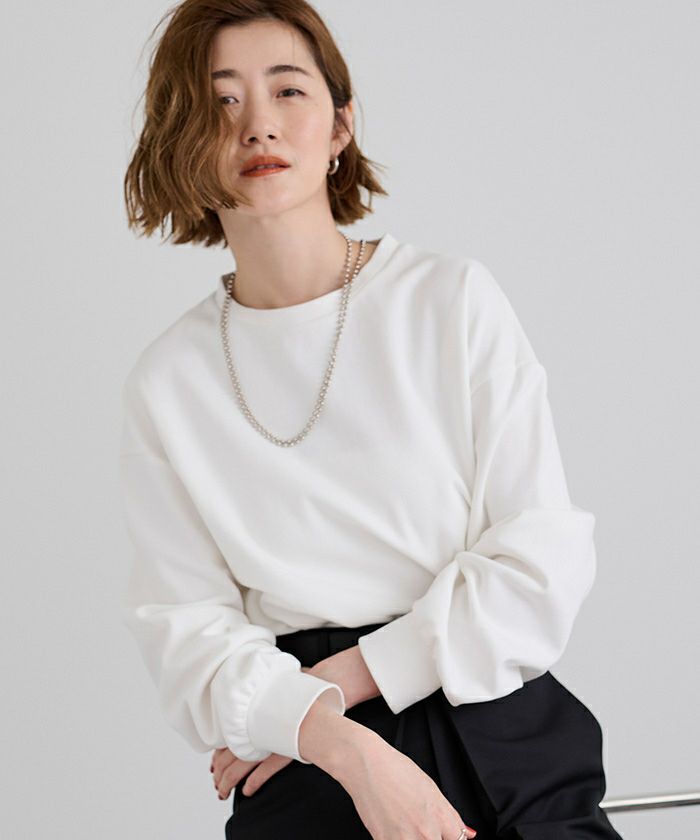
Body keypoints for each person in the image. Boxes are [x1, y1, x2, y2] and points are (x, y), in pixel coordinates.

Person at [119, 2, 624, 839]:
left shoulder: (448, 301)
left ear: (341, 125)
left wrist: (350, 677)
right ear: (183, 140)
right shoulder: (170, 381)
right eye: (221, 101)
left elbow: (542, 557)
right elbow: (185, 633)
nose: (257, 125)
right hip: (309, 753)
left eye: (288, 90)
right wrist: (341, 744)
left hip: (490, 718)